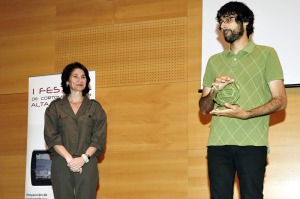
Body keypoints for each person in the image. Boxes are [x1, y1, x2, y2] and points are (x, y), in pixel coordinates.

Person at [199, 2, 287, 198]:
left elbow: (280, 100)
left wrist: (246, 114)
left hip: (252, 143)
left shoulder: (267, 54)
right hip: (218, 144)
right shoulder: (214, 60)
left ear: (245, 22)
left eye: (229, 20)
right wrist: (213, 91)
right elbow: (204, 109)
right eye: (221, 22)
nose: (223, 26)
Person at [44, 62, 107, 199]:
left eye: (83, 77)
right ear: (67, 81)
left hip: (87, 162)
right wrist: (69, 159)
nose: (80, 80)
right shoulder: (55, 107)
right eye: (76, 76)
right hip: (61, 161)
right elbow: (52, 136)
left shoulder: (95, 108)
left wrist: (83, 159)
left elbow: (98, 138)